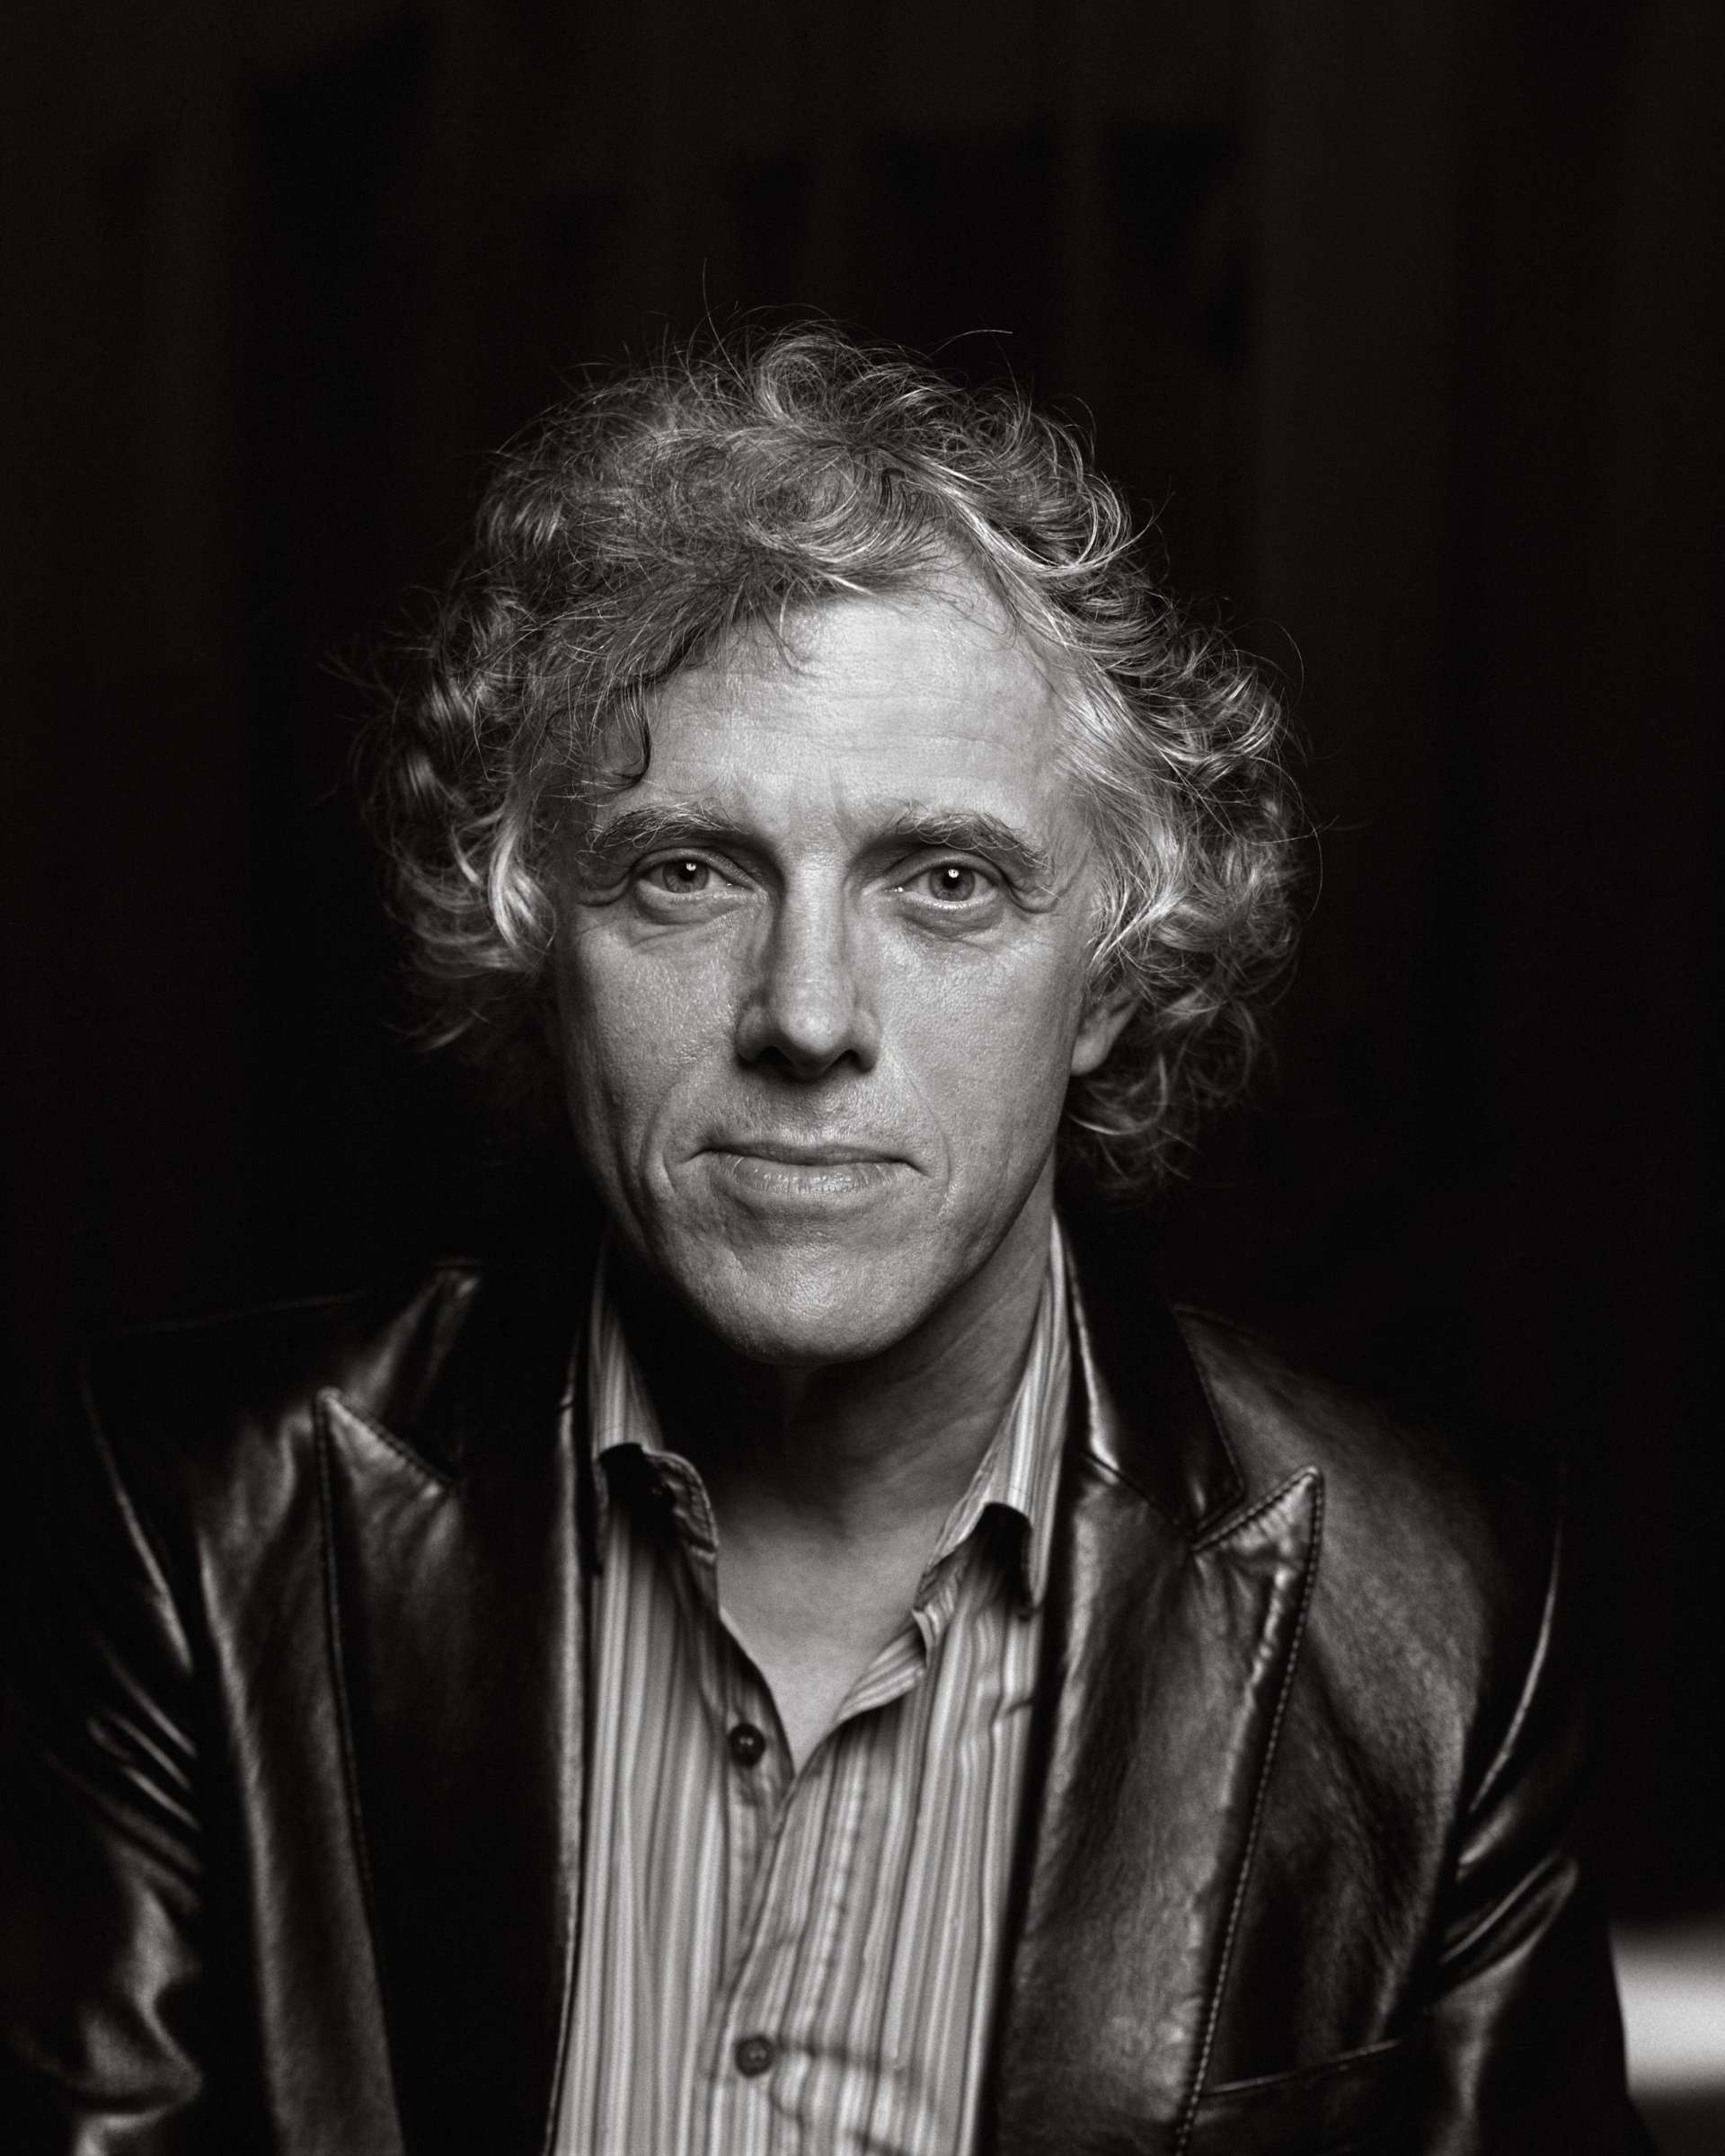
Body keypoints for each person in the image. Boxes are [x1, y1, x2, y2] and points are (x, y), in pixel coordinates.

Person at [0, 325, 1649, 2154]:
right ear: (539, 939)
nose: (804, 1013)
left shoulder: (1435, 1618)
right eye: (686, 871)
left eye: (946, 882)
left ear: (1115, 975)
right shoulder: (201, 1526)